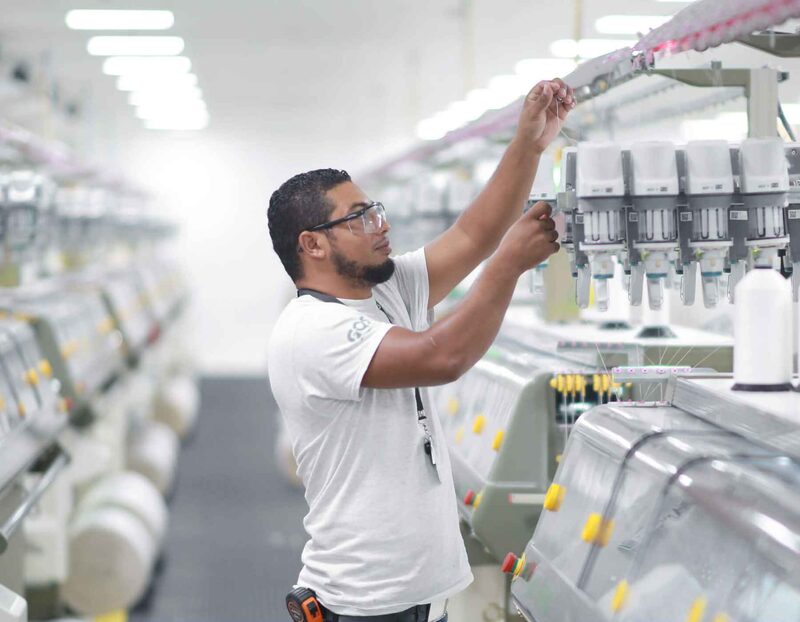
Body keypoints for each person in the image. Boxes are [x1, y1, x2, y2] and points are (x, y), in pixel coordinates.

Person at [267, 78, 575, 622]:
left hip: (422, 596)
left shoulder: (385, 289)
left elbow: (475, 234)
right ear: (312, 244)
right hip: (366, 604)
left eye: (376, 210)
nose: (380, 226)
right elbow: (442, 356)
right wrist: (507, 266)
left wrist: (528, 144)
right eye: (358, 218)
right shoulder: (311, 330)